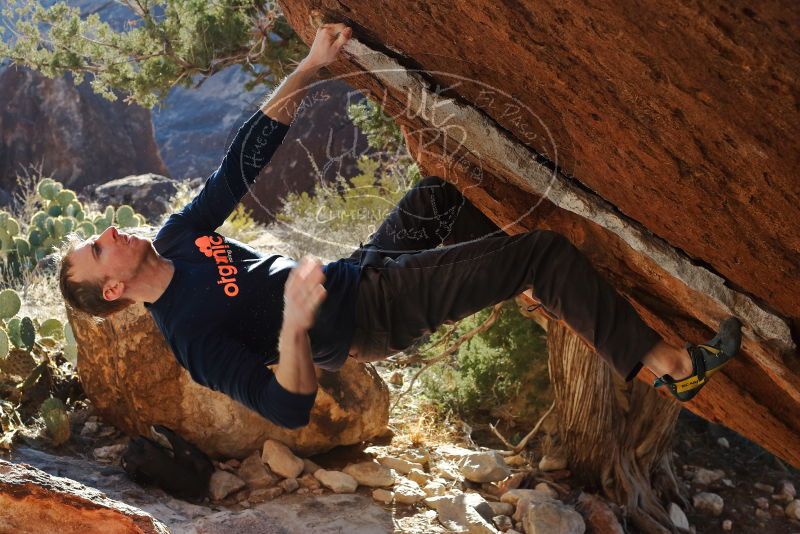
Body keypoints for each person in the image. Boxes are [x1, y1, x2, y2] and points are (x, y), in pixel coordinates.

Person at [56, 23, 742, 429]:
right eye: (96, 249)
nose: (109, 234)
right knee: (544, 252)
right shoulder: (191, 336)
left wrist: (310, 65)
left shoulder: (178, 238)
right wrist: (294, 323)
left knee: (436, 199)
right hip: (369, 317)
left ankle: (534, 290)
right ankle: (670, 366)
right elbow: (287, 408)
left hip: (364, 271)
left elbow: (240, 164)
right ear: (112, 291)